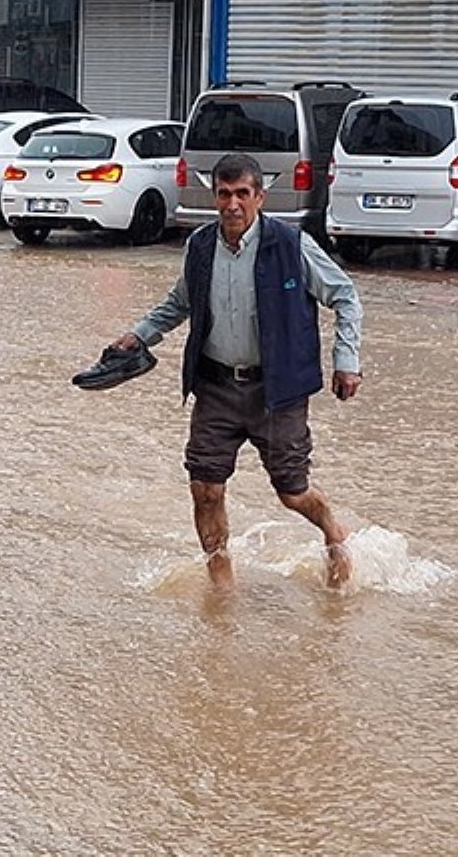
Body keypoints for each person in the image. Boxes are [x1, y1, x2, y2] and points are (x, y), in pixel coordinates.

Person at [113, 153, 364, 590]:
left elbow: (345, 296)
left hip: (278, 390)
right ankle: (221, 587)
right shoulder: (201, 246)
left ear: (259, 197)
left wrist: (347, 362)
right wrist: (138, 337)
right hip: (216, 387)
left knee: (293, 494)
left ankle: (332, 532)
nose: (232, 204)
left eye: (242, 194)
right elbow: (179, 304)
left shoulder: (291, 245)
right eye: (224, 194)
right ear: (215, 197)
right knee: (205, 489)